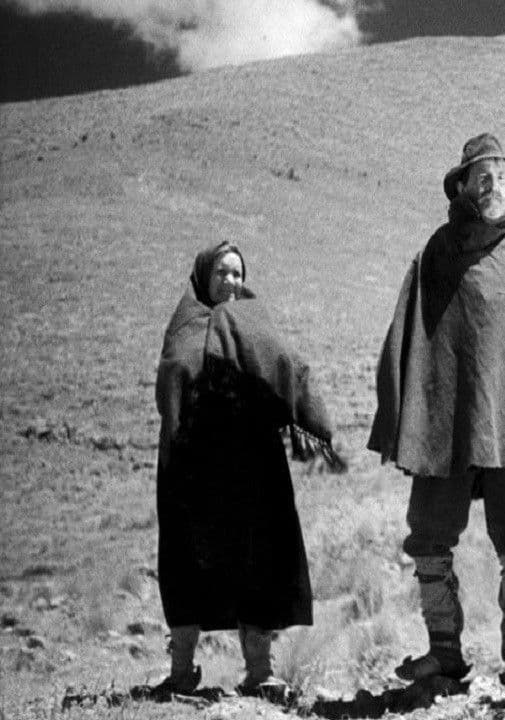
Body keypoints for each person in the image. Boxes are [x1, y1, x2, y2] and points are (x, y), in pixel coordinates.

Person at [368, 133, 505, 691]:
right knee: (430, 533)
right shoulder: (437, 255)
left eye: (501, 179)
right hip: (446, 418)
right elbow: (411, 333)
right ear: (463, 187)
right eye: (482, 178)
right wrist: (406, 412)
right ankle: (443, 651)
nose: (493, 187)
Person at [153, 241, 342, 702]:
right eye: (222, 272)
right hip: (194, 467)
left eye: (238, 273)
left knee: (258, 561)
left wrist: (311, 418)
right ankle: (181, 673)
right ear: (203, 276)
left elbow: (288, 368)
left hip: (253, 464)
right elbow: (172, 378)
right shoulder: (185, 323)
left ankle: (260, 672)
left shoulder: (256, 321)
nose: (231, 281)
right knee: (186, 561)